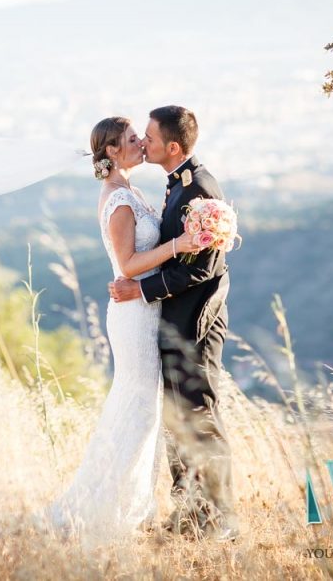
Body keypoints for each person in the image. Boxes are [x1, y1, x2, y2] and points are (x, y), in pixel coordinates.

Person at [43, 116, 199, 544]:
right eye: (132, 140)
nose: (140, 144)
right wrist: (179, 245)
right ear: (112, 151)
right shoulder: (117, 199)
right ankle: (96, 512)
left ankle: (131, 509)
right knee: (139, 409)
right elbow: (128, 264)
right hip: (132, 315)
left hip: (144, 309)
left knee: (144, 410)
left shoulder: (129, 189)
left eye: (140, 138)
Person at [108, 105, 239, 542]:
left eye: (149, 137)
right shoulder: (180, 183)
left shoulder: (200, 190)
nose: (143, 143)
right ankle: (188, 512)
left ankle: (221, 518)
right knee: (178, 419)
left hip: (196, 325)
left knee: (199, 415)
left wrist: (142, 291)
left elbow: (201, 270)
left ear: (173, 146)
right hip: (172, 322)